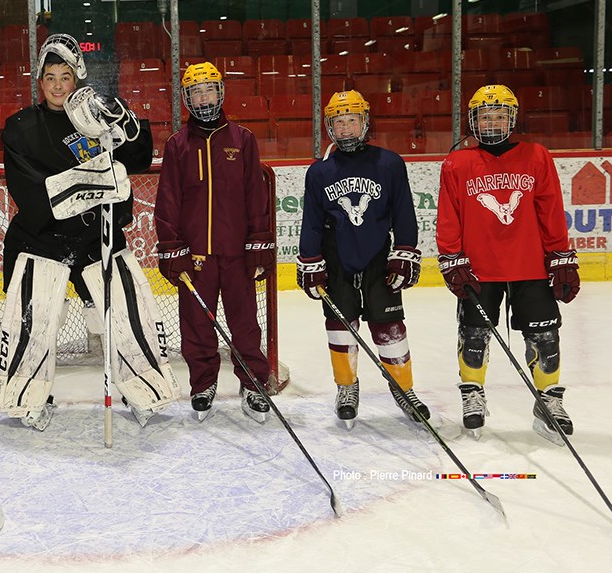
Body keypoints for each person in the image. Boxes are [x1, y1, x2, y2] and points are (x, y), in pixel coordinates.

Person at [0, 33, 178, 430]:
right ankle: (30, 398)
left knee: (124, 316)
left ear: (76, 77)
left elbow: (138, 159)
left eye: (64, 76)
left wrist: (125, 125)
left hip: (100, 235)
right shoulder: (21, 128)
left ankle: (140, 390)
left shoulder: (95, 118)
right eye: (49, 77)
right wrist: (98, 178)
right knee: (37, 318)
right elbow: (34, 193)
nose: (57, 85)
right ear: (40, 82)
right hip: (42, 239)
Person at [437, 84, 579, 443]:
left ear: (512, 118)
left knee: (545, 337)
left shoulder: (537, 156)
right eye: (485, 115)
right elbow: (449, 216)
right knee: (473, 335)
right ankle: (472, 393)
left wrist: (560, 256)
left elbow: (550, 208)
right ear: (473, 121)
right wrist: (452, 258)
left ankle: (548, 400)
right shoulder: (457, 162)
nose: (492, 122)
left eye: (499, 115)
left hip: (530, 264)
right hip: (478, 267)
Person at [296, 90, 430, 429]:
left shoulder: (389, 163)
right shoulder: (320, 173)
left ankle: (403, 388)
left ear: (364, 122)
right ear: (330, 127)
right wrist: (310, 260)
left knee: (390, 327)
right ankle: (346, 387)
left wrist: (406, 251)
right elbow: (311, 220)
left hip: (378, 259)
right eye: (338, 123)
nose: (345, 129)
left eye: (351, 121)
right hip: (336, 259)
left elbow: (403, 213)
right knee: (341, 327)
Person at [154, 61, 275, 423]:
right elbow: (168, 201)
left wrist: (259, 243)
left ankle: (253, 381)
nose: (203, 97)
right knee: (196, 325)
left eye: (209, 89)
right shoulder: (177, 145)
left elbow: (256, 195)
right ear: (187, 99)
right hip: (195, 257)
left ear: (220, 92)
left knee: (245, 323)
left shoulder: (242, 139)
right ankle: (203, 383)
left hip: (237, 252)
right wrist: (172, 248)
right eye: (196, 92)